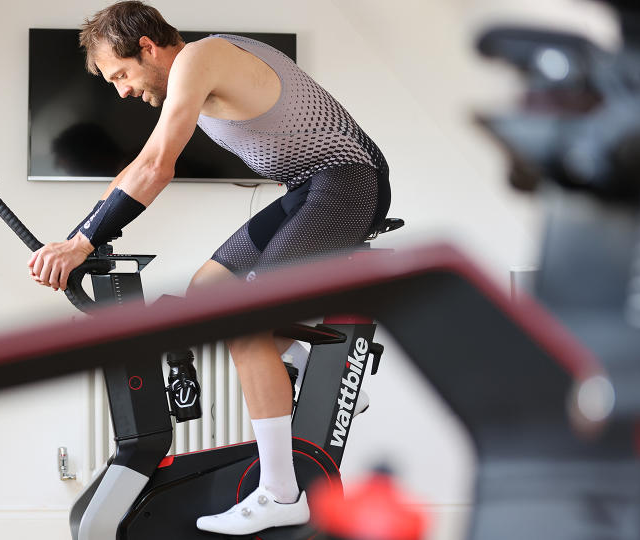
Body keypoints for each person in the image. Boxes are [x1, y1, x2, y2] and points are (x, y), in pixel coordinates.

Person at [27, 1, 390, 534]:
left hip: (346, 181)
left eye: (122, 74)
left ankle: (281, 493)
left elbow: (157, 166)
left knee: (244, 325)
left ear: (148, 47)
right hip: (311, 187)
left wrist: (82, 244)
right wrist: (78, 238)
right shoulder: (197, 72)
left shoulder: (201, 56)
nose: (123, 90)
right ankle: (308, 375)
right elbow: (137, 166)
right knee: (206, 293)